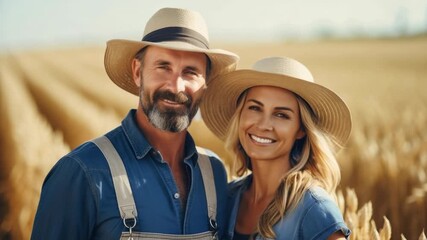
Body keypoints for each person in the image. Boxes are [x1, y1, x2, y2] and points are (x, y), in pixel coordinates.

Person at [31, 7, 239, 240]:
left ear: (205, 84)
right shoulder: (83, 172)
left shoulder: (214, 173)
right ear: (138, 72)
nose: (176, 87)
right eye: (163, 67)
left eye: (190, 72)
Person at [200, 56, 352, 240]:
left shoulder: (314, 210)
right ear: (240, 115)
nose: (264, 125)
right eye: (255, 108)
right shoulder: (225, 199)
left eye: (281, 115)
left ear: (301, 130)